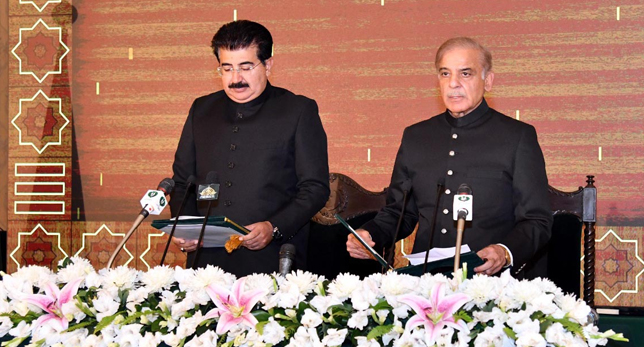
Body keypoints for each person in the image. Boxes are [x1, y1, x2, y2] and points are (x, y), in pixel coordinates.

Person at [347, 37, 553, 279]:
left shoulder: (518, 137)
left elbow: (537, 220)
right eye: (445, 74)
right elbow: (399, 212)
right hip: (424, 283)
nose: (453, 83)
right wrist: (370, 234)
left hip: (490, 286)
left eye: (465, 74)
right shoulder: (416, 137)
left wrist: (503, 251)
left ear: (488, 81)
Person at [170, 20, 330, 276]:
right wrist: (186, 227)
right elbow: (182, 182)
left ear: (268, 65)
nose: (236, 79)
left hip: (273, 257)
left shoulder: (298, 110)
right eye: (227, 68)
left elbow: (315, 187)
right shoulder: (201, 110)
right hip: (206, 263)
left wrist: (274, 227)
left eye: (245, 67)